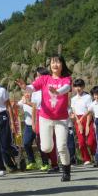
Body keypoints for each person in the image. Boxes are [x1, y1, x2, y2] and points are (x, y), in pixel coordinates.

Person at [16, 54, 72, 182]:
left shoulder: (66, 79)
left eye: (57, 62)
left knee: (62, 146)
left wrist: (57, 92)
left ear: (62, 64)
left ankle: (66, 171)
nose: (55, 65)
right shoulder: (45, 79)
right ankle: (53, 158)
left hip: (61, 118)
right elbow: (32, 88)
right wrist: (25, 87)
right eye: (52, 62)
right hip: (45, 117)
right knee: (46, 147)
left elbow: (67, 88)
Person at [31, 67, 59, 173]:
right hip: (39, 115)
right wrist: (33, 122)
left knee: (51, 140)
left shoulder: (51, 87)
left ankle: (55, 164)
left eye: (39, 76)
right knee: (39, 141)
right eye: (36, 76)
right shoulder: (34, 90)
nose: (37, 78)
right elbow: (34, 107)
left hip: (49, 115)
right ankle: (45, 161)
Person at [71, 78, 96, 165]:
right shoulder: (73, 99)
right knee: (81, 142)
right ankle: (86, 159)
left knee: (91, 140)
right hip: (78, 120)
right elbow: (74, 111)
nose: (78, 88)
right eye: (76, 86)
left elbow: (89, 111)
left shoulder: (88, 97)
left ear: (83, 87)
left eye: (80, 86)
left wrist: (88, 125)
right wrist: (78, 122)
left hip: (87, 118)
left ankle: (95, 154)